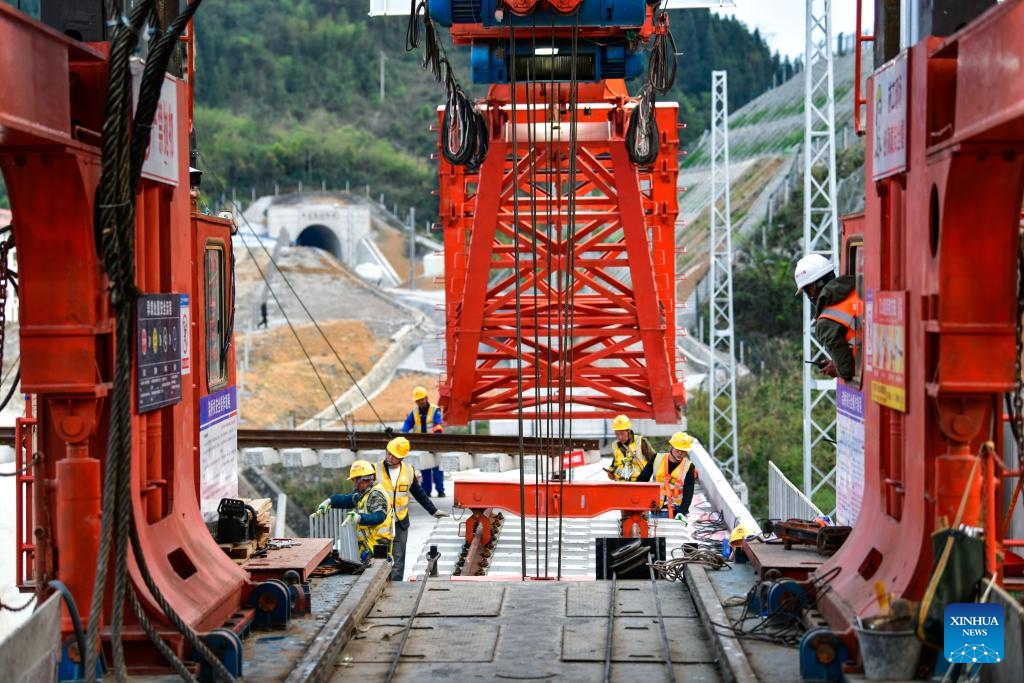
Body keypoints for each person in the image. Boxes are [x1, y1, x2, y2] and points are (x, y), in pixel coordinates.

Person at [375, 436, 449, 581]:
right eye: (388, 453)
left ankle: (395, 589)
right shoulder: (375, 470)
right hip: (379, 523)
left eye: (394, 455)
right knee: (379, 560)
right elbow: (360, 491)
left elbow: (418, 493)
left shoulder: (408, 471)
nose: (389, 457)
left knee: (398, 560)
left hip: (400, 523)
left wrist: (433, 510)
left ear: (401, 457)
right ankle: (379, 587)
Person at [793, 253, 862, 382]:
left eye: (807, 291)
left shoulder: (826, 322)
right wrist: (837, 362)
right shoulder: (857, 287)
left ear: (813, 288)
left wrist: (837, 369)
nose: (809, 297)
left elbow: (847, 371)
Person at [315, 459, 394, 564]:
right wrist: (329, 501)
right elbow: (347, 500)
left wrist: (359, 518)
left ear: (363, 479)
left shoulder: (375, 495)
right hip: (370, 546)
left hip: (378, 547)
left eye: (355, 481)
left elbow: (379, 517)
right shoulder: (365, 493)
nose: (355, 484)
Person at [636, 431, 697, 518]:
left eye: (683, 451)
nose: (680, 453)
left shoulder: (689, 467)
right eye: (678, 450)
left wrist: (682, 513)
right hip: (655, 510)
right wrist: (642, 503)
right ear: (670, 447)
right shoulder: (657, 459)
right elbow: (642, 480)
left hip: (676, 512)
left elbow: (688, 493)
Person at [402, 385, 445, 497]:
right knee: (425, 467)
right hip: (421, 445)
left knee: (437, 467)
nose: (420, 402)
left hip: (434, 443)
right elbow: (408, 423)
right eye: (418, 400)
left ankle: (440, 491)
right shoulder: (415, 411)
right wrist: (403, 433)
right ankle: (427, 492)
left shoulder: (435, 410)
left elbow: (438, 424)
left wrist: (437, 437)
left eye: (421, 399)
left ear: (426, 398)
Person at [606, 414, 656, 482]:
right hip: (620, 484)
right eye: (617, 434)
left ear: (628, 431)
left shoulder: (641, 442)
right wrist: (611, 472)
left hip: (639, 483)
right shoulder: (615, 445)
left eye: (622, 433)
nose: (620, 437)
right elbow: (615, 463)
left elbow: (654, 461)